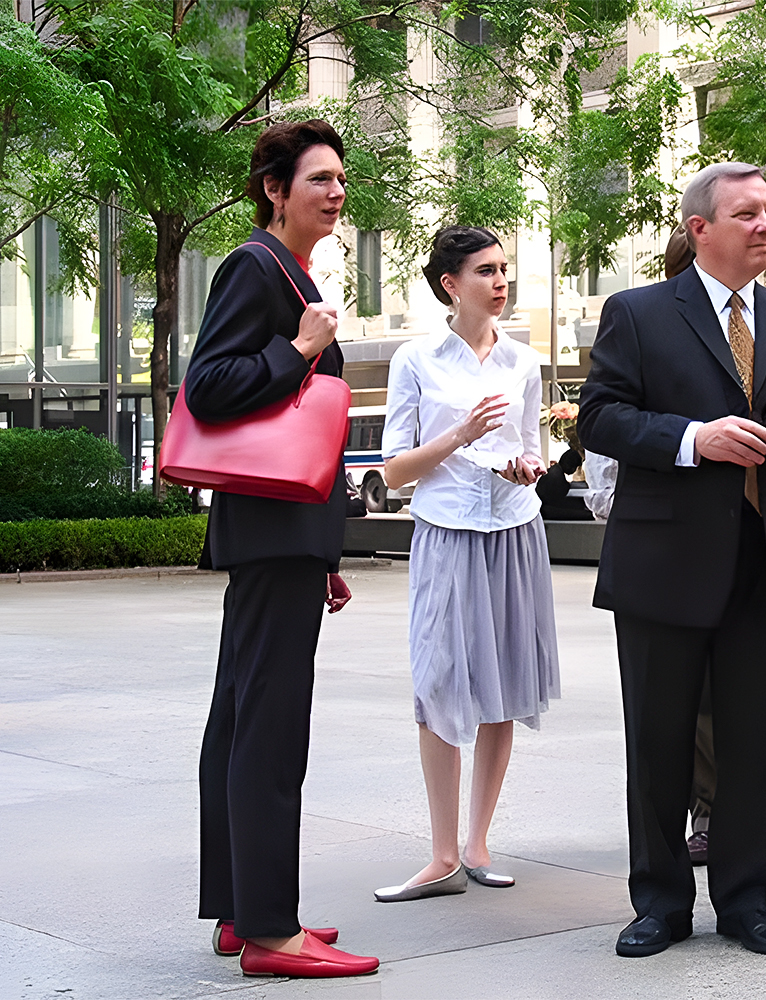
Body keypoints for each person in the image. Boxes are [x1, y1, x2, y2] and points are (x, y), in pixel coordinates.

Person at [577, 162, 766, 958]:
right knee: (658, 742)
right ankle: (660, 903)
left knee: (756, 742)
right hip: (664, 566)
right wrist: (693, 440)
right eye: (747, 215)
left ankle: (745, 900)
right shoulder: (637, 313)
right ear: (701, 229)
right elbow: (601, 418)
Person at [189, 119, 379, 978]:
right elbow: (210, 384)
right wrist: (297, 348)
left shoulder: (291, 271)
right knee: (268, 727)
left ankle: (241, 909)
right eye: (320, 180)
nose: (336, 193)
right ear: (275, 188)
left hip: (284, 534)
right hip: (269, 532)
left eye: (341, 179)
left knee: (242, 714)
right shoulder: (255, 268)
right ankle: (270, 929)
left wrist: (326, 550)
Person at [373, 225, 560, 903]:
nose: (500, 281)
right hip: (447, 529)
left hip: (515, 529)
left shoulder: (523, 363)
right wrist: (461, 434)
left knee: (503, 679)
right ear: (451, 285)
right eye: (485, 271)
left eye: (504, 269)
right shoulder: (416, 359)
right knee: (441, 682)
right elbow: (395, 470)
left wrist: (526, 466)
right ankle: (442, 853)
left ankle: (477, 845)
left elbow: (530, 453)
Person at [535, 448, 595, 520]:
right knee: (586, 514)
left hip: (546, 508)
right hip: (547, 510)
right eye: (575, 467)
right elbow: (558, 499)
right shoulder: (556, 475)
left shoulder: (555, 471)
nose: (574, 470)